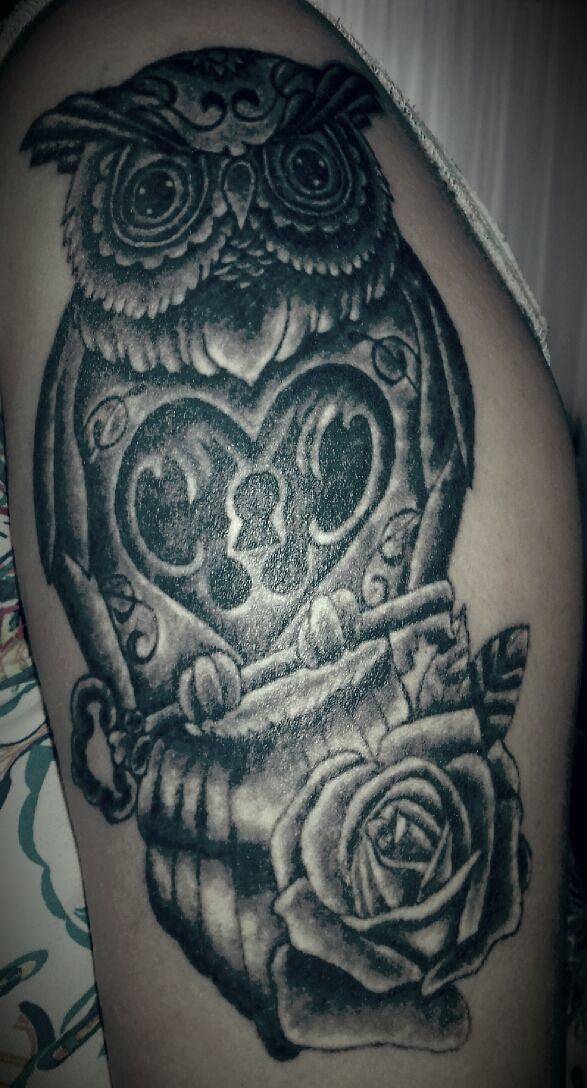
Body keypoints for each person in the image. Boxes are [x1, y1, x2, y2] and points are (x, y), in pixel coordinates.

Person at [0, 1, 581, 1084]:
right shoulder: (89, 342)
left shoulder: (108, 31)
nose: (237, 222)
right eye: (167, 193)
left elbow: (435, 473)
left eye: (293, 175)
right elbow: (87, 550)